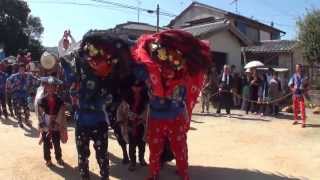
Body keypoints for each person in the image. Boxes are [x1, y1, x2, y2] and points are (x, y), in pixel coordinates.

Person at [133, 29, 211, 180]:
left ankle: (183, 174)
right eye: (163, 56)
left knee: (179, 148)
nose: (167, 64)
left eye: (173, 59)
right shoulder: (150, 72)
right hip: (157, 117)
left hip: (175, 118)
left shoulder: (183, 74)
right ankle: (154, 174)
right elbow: (136, 68)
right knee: (156, 149)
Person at [60, 30, 131, 180]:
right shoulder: (79, 73)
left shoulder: (109, 79)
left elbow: (110, 98)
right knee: (83, 157)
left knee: (102, 156)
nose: (94, 61)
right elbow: (67, 66)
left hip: (99, 122)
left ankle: (104, 176)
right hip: (82, 122)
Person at [117, 79, 148, 171]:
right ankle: (133, 162)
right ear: (131, 87)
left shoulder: (145, 98)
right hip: (130, 125)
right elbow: (120, 110)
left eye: (139, 87)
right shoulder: (127, 98)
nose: (137, 89)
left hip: (141, 124)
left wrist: (141, 118)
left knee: (142, 144)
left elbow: (148, 111)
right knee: (132, 145)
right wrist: (121, 120)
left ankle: (141, 158)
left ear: (141, 88)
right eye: (135, 87)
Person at [37, 76, 67, 166]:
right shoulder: (42, 100)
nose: (50, 88)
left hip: (56, 122)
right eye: (48, 86)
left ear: (55, 88)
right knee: (46, 142)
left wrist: (57, 122)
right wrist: (42, 123)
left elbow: (61, 111)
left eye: (53, 86)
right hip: (45, 121)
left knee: (56, 142)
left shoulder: (59, 100)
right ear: (45, 87)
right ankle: (48, 159)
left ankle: (59, 158)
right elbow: (39, 113)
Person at [6, 63, 38, 127]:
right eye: (20, 69)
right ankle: (20, 122)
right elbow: (8, 81)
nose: (22, 70)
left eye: (23, 69)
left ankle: (26, 121)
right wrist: (12, 88)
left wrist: (41, 81)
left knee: (26, 109)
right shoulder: (14, 76)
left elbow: (36, 81)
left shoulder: (29, 75)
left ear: (25, 69)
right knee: (18, 109)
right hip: (16, 95)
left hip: (25, 96)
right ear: (18, 69)